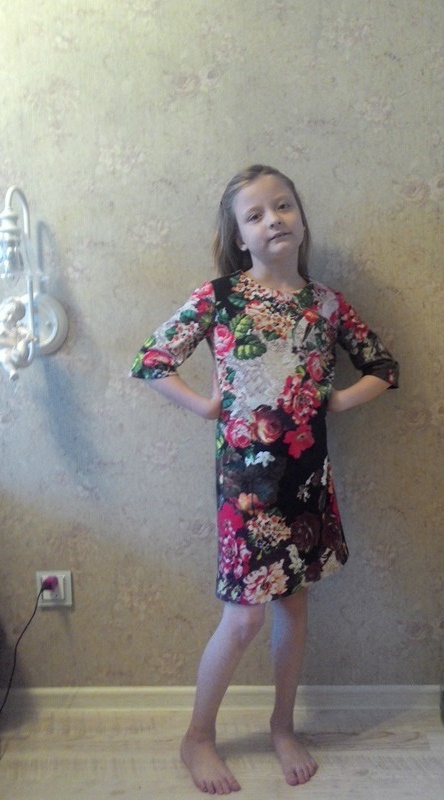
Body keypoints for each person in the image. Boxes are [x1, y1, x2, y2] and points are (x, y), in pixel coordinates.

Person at [131, 164, 399, 794]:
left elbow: (384, 367)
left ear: (300, 217)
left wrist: (339, 399)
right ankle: (198, 737)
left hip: (306, 481)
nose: (272, 220)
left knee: (294, 606)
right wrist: (206, 407)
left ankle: (283, 726)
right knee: (244, 619)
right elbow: (152, 359)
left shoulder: (327, 303)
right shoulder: (220, 297)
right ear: (239, 235)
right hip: (246, 487)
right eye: (254, 215)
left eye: (282, 206)